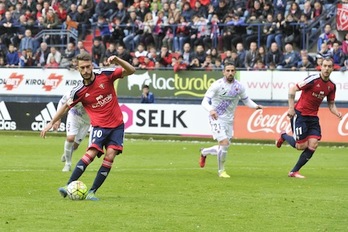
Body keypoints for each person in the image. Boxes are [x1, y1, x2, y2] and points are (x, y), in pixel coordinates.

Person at [40, 53, 135, 200]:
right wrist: (51, 123)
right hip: (99, 127)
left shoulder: (105, 74)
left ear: (92, 65)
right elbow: (65, 106)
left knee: (110, 156)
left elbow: (131, 70)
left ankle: (92, 192)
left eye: (88, 66)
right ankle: (68, 185)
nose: (86, 70)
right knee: (89, 155)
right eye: (82, 68)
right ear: (78, 69)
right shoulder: (78, 91)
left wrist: (117, 60)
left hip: (117, 126)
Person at [276, 58, 342, 178]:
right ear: (320, 67)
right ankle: (283, 135)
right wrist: (291, 108)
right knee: (300, 146)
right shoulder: (312, 80)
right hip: (300, 115)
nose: (327, 69)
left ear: (333, 68)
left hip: (313, 118)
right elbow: (293, 89)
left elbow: (331, 104)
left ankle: (294, 171)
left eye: (329, 67)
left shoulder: (331, 86)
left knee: (313, 144)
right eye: (325, 66)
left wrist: (337, 113)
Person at [199, 62, 263, 178]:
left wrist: (255, 106)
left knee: (224, 146)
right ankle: (221, 171)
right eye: (227, 71)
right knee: (224, 143)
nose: (230, 73)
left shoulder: (239, 87)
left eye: (232, 71)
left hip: (229, 120)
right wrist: (211, 110)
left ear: (235, 72)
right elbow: (204, 101)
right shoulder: (216, 85)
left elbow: (246, 100)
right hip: (216, 118)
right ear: (223, 72)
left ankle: (204, 152)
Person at [53, 91, 90, 172]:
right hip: (74, 117)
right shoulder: (71, 93)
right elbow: (62, 102)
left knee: (75, 146)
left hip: (87, 122)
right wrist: (58, 119)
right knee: (70, 138)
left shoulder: (92, 94)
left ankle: (67, 154)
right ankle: (68, 164)